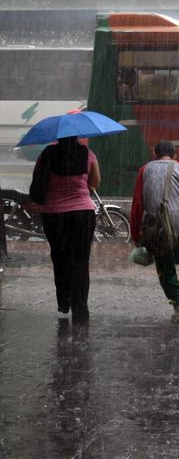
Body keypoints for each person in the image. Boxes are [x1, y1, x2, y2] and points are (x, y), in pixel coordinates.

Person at [130, 140, 179, 323]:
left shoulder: (145, 170)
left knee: (165, 267)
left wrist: (136, 234)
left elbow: (137, 204)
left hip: (158, 226)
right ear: (175, 155)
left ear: (154, 154)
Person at [29, 136, 101, 321]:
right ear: (76, 137)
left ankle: (64, 300)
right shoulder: (88, 155)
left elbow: (38, 180)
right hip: (82, 213)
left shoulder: (46, 155)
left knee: (60, 256)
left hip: (54, 214)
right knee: (80, 260)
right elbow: (95, 182)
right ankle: (80, 305)